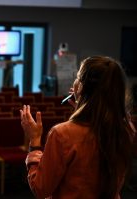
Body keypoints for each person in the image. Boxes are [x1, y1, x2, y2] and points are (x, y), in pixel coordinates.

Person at [20, 56, 135, 199]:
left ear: (81, 87)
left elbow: (41, 188)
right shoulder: (126, 129)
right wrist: (82, 110)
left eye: (78, 77)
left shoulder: (62, 133)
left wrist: (35, 141)